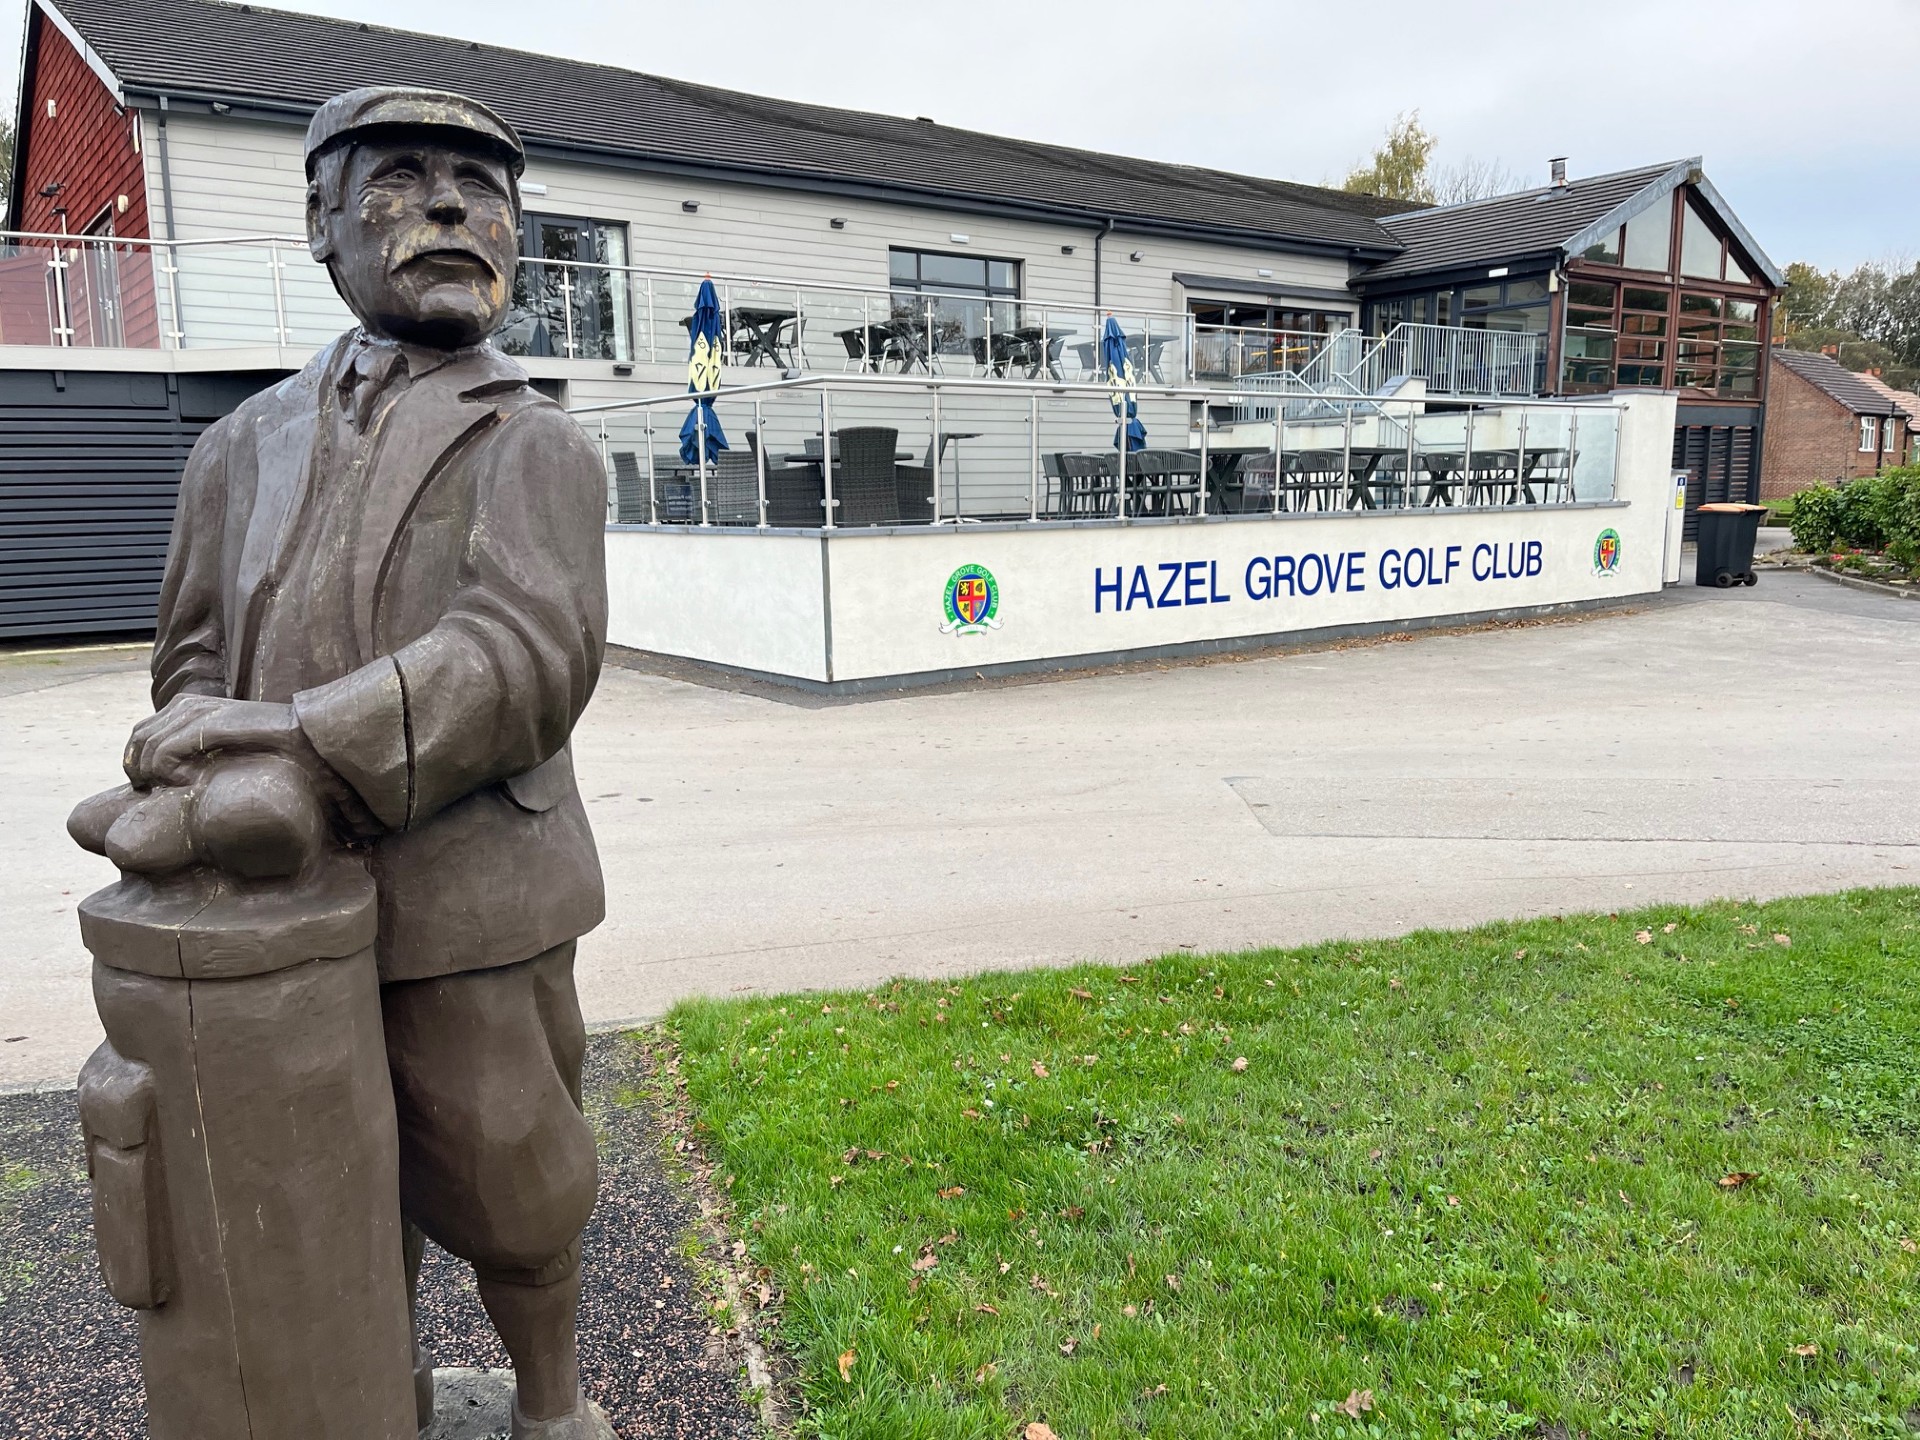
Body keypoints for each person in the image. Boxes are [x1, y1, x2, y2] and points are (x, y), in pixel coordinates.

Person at [120, 86, 609, 1440]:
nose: (451, 205)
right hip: (280, 905)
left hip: (475, 894)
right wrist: (207, 759)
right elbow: (191, 651)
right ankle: (367, 1395)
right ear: (321, 222)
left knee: (512, 1168)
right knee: (318, 1176)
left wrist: (298, 737)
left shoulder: (535, 440)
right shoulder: (235, 446)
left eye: (482, 186)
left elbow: (528, 655)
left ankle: (552, 1406)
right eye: (401, 176)